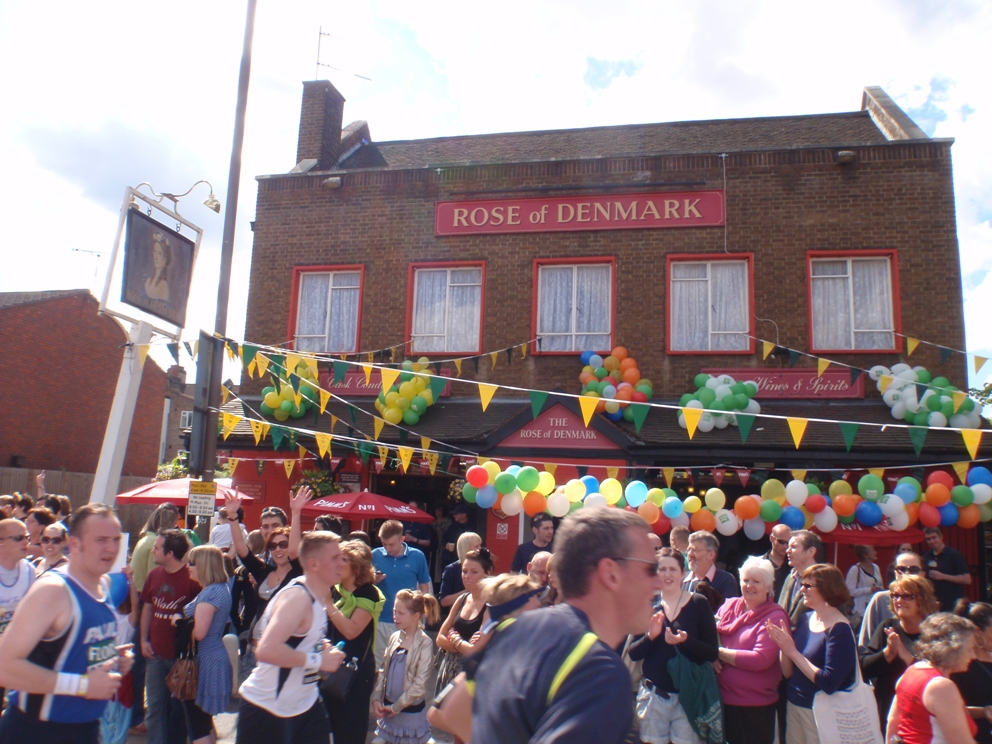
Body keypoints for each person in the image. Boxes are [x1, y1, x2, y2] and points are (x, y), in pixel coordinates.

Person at [471, 508, 662, 744]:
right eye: (651, 568)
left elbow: (454, 707)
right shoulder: (599, 671)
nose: (659, 581)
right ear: (610, 573)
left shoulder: (517, 629)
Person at [0, 504, 134, 744]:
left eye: (115, 539)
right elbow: (4, 667)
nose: (111, 548)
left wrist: (111, 658)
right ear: (74, 544)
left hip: (85, 728)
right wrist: (82, 685)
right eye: (101, 540)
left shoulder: (102, 584)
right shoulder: (53, 590)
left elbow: (71, 651)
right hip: (38, 731)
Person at [235, 531, 347, 744]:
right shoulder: (297, 597)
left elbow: (299, 639)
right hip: (267, 708)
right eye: (335, 558)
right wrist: (318, 660)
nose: (343, 562)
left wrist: (321, 646)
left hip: (305, 704)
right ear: (313, 564)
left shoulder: (320, 594)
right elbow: (267, 650)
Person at [629, 547, 721, 744]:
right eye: (662, 569)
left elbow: (712, 652)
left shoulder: (698, 603)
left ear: (683, 573)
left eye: (672, 569)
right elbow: (633, 653)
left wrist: (687, 641)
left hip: (688, 696)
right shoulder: (645, 605)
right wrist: (650, 637)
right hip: (654, 696)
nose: (667, 574)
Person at [767, 563, 858, 744]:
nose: (802, 589)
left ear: (827, 589)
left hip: (821, 713)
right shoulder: (805, 619)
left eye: (808, 585)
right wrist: (784, 649)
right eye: (802, 584)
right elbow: (788, 672)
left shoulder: (840, 629)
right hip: (794, 706)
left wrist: (792, 651)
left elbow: (828, 682)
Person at [715, 556, 791, 744]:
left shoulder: (774, 616)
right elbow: (708, 636)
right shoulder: (728, 606)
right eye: (745, 580)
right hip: (719, 702)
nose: (749, 586)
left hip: (755, 709)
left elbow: (760, 659)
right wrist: (710, 657)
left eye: (756, 581)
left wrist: (717, 652)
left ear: (768, 587)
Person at [140, 529, 199, 744]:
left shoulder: (192, 578)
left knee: (180, 711)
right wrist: (143, 640)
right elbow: (147, 607)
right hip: (154, 654)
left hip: (180, 658)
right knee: (154, 710)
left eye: (157, 548)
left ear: (170, 553)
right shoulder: (153, 575)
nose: (152, 550)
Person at [324, 540, 385, 744]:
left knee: (349, 732)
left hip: (355, 674)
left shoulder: (369, 593)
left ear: (357, 566)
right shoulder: (334, 589)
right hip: (329, 670)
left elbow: (351, 631)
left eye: (343, 560)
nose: (337, 564)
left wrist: (327, 604)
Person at [860, 573, 938, 732]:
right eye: (895, 596)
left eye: (907, 596)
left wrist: (906, 657)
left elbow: (938, 675)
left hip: (923, 714)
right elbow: (863, 669)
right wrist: (888, 653)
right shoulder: (887, 627)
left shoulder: (934, 633)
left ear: (922, 600)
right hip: (888, 712)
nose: (899, 601)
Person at [225, 491, 305, 645]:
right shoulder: (265, 570)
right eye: (273, 546)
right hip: (255, 647)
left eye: (283, 545)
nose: (278, 549)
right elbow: (242, 551)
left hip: (283, 648)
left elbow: (294, 552)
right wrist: (233, 517)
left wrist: (296, 512)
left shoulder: (298, 571)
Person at [886, 612, 978, 744]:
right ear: (952, 649)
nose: (974, 655)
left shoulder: (911, 671)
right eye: (969, 649)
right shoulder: (942, 687)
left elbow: (893, 723)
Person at [178, 545, 232, 744]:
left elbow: (199, 632)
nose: (188, 567)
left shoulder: (210, 593)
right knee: (204, 721)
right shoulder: (219, 589)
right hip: (213, 657)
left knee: (198, 723)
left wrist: (177, 622)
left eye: (191, 563)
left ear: (204, 565)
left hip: (205, 662)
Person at [435, 546, 495, 725]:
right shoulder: (462, 599)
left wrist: (453, 637)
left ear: (487, 573)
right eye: (464, 571)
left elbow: (473, 651)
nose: (467, 576)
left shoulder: (491, 605)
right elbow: (439, 638)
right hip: (449, 673)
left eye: (474, 572)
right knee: (453, 730)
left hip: (473, 677)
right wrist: (463, 644)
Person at [372, 589, 441, 744]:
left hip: (409, 711)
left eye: (401, 613)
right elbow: (383, 670)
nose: (395, 617)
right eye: (394, 611)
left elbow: (419, 684)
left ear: (416, 616)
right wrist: (377, 696)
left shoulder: (424, 643)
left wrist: (397, 706)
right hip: (389, 708)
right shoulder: (394, 637)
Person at [372, 520, 432, 667]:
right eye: (384, 544)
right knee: (379, 666)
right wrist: (373, 580)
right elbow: (365, 585)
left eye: (391, 544)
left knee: (405, 666)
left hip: (408, 621)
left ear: (402, 539)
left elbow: (425, 588)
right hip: (381, 618)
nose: (387, 548)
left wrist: (421, 614)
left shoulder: (417, 556)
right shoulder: (375, 555)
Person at [859, 550, 926, 653]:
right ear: (895, 573)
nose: (907, 573)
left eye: (913, 569)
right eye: (901, 569)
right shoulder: (880, 599)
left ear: (923, 574)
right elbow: (865, 645)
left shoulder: (928, 600)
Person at [0, 517, 36, 706]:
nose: (25, 542)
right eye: (18, 538)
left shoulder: (29, 571)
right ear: (1, 542)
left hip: (15, 650)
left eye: (27, 537)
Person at [951, 601, 992, 744]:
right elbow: (951, 709)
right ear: (978, 631)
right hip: (973, 737)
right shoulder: (959, 666)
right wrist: (983, 712)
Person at [779, 530, 824, 630]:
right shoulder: (790, 578)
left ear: (811, 552)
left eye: (793, 547)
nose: (787, 550)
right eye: (788, 546)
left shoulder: (824, 580)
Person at [923, 527, 971, 611]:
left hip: (953, 603)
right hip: (934, 602)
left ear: (941, 537)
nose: (932, 541)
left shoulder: (954, 555)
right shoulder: (926, 556)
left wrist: (943, 576)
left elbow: (967, 579)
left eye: (934, 537)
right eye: (928, 539)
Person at [683, 530, 739, 600]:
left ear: (711, 555)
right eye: (688, 550)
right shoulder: (682, 579)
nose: (689, 554)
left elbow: (729, 610)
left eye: (695, 550)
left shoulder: (726, 580)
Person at [845, 544, 884, 630]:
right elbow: (849, 591)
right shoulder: (855, 569)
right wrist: (870, 590)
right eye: (872, 550)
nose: (875, 552)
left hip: (875, 607)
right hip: (861, 611)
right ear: (865, 555)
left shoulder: (876, 567)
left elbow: (880, 584)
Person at [438, 532, 481, 608]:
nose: (480, 549)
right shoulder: (451, 569)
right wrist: (467, 591)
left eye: (480, 545)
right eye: (476, 546)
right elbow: (444, 601)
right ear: (466, 548)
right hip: (457, 613)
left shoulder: (483, 566)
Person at [764, 524, 792, 601]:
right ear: (772, 538)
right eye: (782, 542)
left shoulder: (794, 566)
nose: (785, 546)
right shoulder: (759, 563)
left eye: (788, 543)